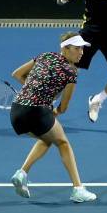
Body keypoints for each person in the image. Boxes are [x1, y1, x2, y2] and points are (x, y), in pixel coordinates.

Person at [9, 32, 97, 203]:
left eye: (83, 49)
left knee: (47, 138)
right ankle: (78, 189)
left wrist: (39, 91)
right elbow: (63, 107)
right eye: (77, 48)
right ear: (66, 48)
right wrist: (52, 109)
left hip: (16, 110)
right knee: (63, 143)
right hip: (37, 112)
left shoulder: (45, 56)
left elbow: (17, 74)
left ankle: (22, 173)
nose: (81, 52)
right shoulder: (72, 72)